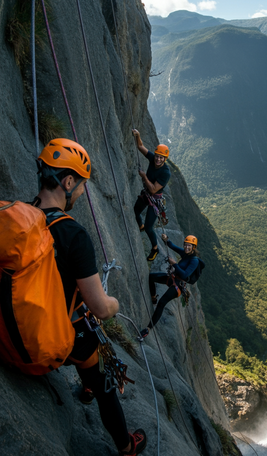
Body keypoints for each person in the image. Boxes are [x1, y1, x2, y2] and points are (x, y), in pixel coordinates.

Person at [34, 138, 147, 456]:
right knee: (105, 384)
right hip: (59, 335)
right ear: (67, 182)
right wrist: (115, 303)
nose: (82, 192)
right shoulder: (74, 235)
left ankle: (84, 384)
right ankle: (126, 446)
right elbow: (100, 306)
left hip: (24, 316)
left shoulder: (23, 218)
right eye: (81, 185)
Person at [140, 234, 199, 338]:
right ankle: (153, 298)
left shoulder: (194, 260)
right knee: (151, 277)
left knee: (162, 303)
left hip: (177, 286)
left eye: (189, 245)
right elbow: (172, 246)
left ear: (193, 248)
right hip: (172, 279)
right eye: (185, 245)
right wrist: (166, 239)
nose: (186, 247)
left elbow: (184, 275)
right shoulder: (185, 253)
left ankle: (148, 328)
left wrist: (174, 264)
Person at [132, 129, 171, 261]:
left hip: (155, 199)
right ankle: (140, 226)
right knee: (136, 211)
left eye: (161, 158)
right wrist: (138, 135)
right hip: (146, 194)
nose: (158, 159)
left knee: (150, 227)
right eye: (157, 156)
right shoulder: (153, 159)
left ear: (165, 159)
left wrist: (144, 177)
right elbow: (140, 146)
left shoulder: (166, 173)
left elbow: (154, 189)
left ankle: (154, 248)